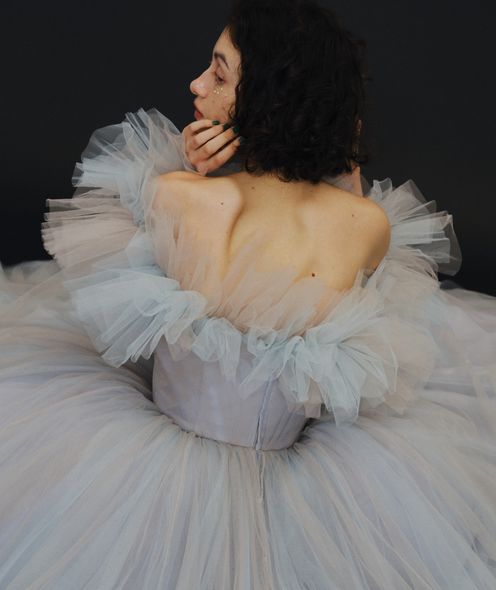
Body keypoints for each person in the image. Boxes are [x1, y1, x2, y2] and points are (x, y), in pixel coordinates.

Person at [0, 0, 495, 588]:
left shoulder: (180, 196)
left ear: (266, 98)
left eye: (219, 74)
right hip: (310, 496)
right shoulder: (368, 225)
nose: (196, 84)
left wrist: (188, 171)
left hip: (146, 478)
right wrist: (338, 166)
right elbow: (341, 231)